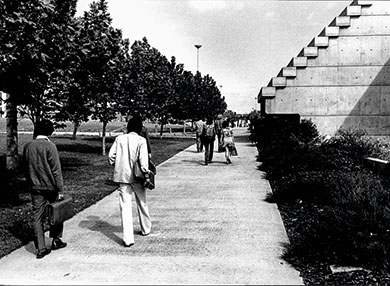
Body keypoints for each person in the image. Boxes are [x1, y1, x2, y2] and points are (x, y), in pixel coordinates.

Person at [22, 119, 67, 259]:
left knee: (38, 216)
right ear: (50, 131)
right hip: (50, 186)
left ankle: (40, 248)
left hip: (35, 186)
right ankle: (56, 239)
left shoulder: (28, 146)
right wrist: (60, 189)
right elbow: (56, 170)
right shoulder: (50, 146)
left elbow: (24, 167)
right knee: (57, 212)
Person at [108, 116, 153, 247]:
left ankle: (128, 238)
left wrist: (118, 166)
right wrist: (146, 174)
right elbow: (144, 162)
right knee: (142, 202)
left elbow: (111, 156)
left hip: (123, 177)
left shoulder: (119, 139)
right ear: (140, 128)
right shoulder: (141, 140)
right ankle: (146, 228)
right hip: (138, 177)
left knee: (125, 206)